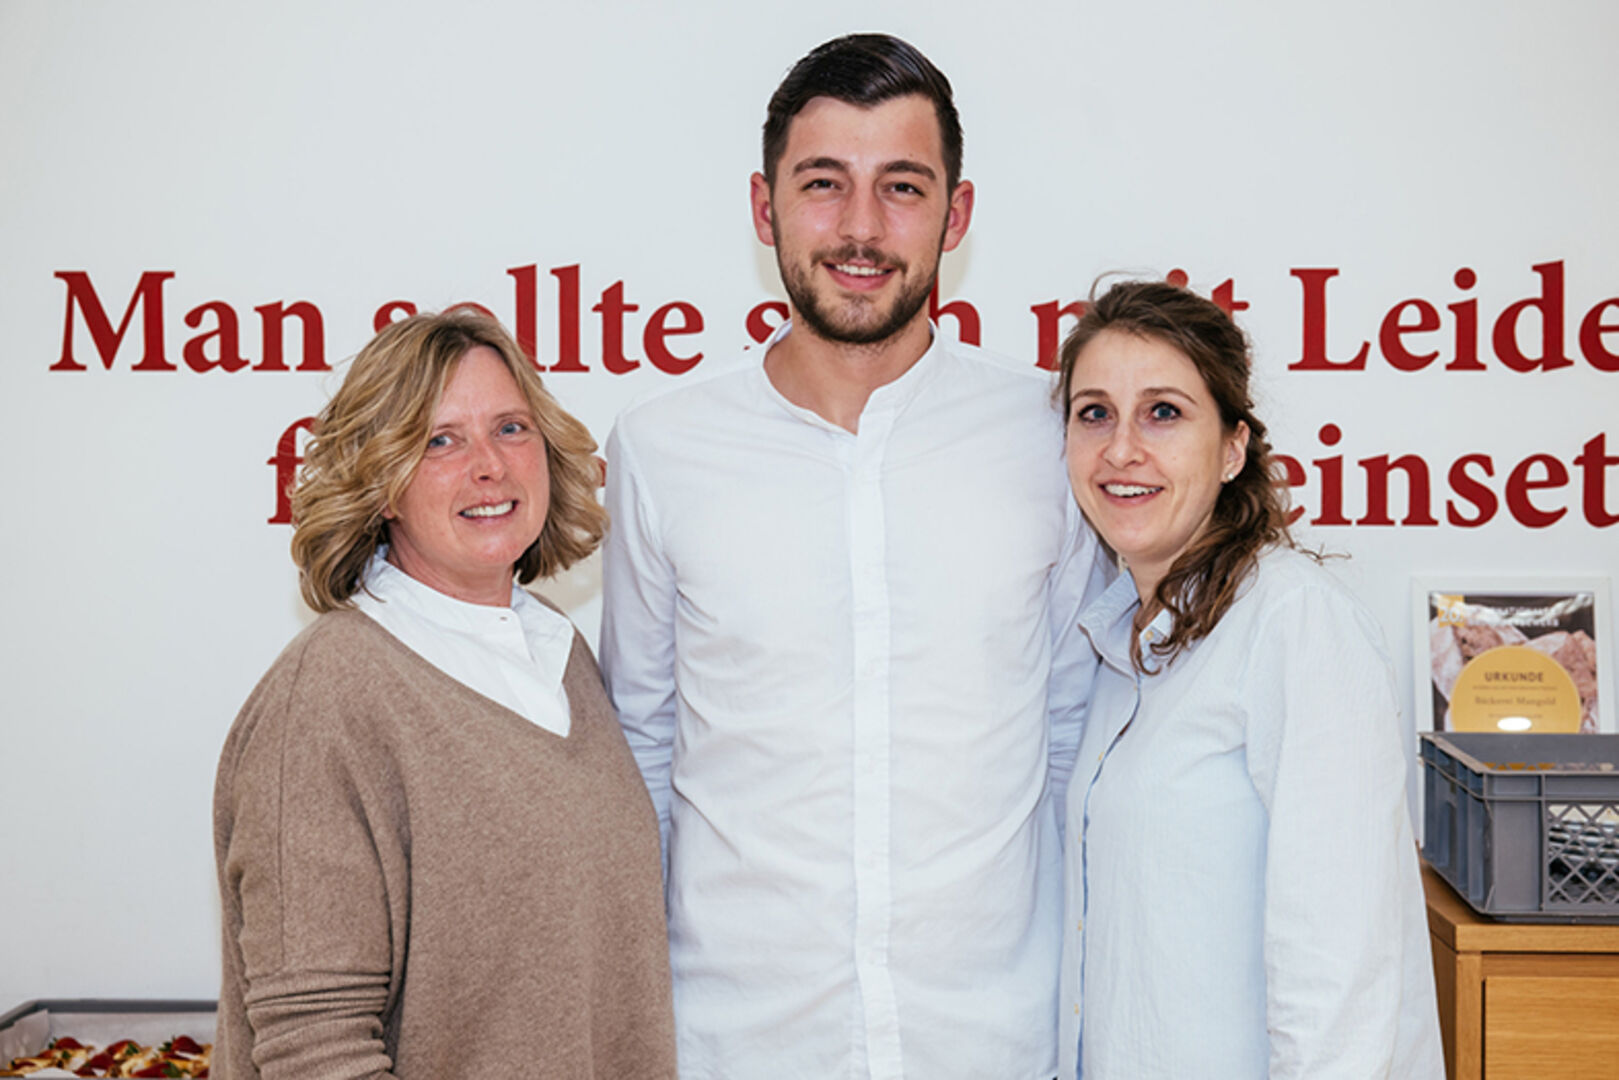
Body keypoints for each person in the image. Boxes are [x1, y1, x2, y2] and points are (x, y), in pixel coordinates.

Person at [600, 32, 1107, 1079]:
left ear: (956, 216)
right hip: (733, 1046)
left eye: (902, 187)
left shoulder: (1045, 436)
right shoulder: (662, 448)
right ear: (764, 207)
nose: (861, 228)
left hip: (990, 1046)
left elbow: (1070, 738)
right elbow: (641, 755)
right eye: (823, 183)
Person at [213, 310, 676, 1080]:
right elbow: (315, 1052)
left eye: (510, 429)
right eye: (439, 441)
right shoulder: (328, 698)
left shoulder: (556, 650)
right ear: (380, 485)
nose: (488, 465)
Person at [1054, 280, 1444, 1079]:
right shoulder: (1111, 642)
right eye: (1094, 413)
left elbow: (1340, 979)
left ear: (1232, 449)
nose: (1120, 449)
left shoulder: (1295, 624)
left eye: (1163, 412)